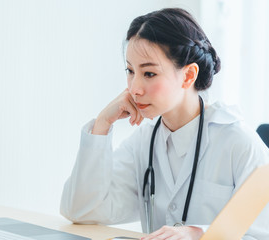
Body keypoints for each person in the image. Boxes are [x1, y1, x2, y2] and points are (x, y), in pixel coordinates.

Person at [60, 8, 269, 240]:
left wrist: (200, 234)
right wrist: (102, 125)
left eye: (149, 73)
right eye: (130, 71)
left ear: (189, 76)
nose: (134, 88)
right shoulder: (144, 141)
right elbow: (82, 210)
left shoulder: (239, 142)